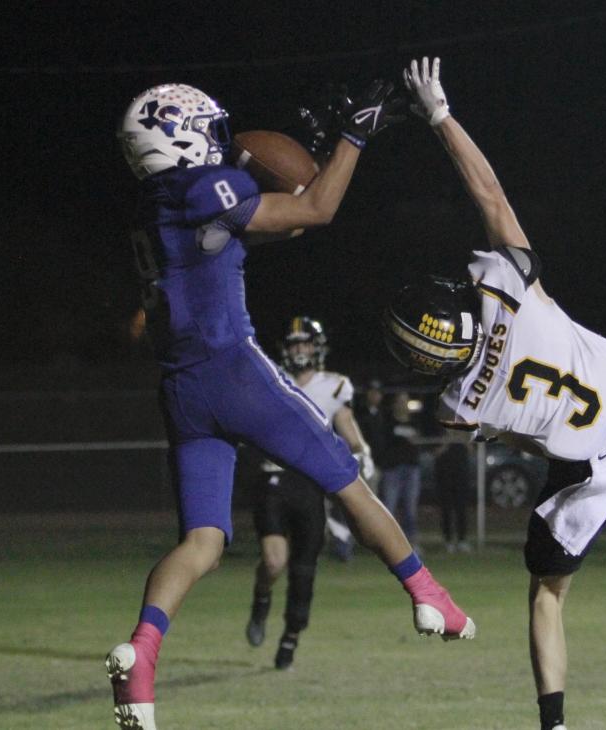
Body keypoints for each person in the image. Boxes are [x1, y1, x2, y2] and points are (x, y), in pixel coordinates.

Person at [109, 81, 474, 730]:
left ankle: (141, 656)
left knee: (202, 542)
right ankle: (428, 595)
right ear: (180, 134)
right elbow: (317, 210)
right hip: (233, 371)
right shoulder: (200, 191)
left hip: (181, 390)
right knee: (347, 480)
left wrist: (299, 162)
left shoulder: (153, 205)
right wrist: (352, 136)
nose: (222, 139)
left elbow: (275, 220)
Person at [382, 57, 606, 729]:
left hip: (580, 468)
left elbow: (512, 432)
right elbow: (489, 194)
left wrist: (520, 427)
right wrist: (439, 116)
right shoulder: (506, 285)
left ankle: (554, 723)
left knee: (547, 598)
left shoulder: (457, 404)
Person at [245, 316, 375, 670]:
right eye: (294, 344)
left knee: (304, 570)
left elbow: (348, 428)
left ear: (316, 347)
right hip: (273, 478)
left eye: (305, 343)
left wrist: (364, 453)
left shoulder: (334, 385)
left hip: (310, 483)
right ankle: (261, 597)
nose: (300, 350)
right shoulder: (273, 380)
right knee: (273, 561)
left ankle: (290, 637)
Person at [379, 391, 424, 546]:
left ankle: (411, 544)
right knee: (389, 508)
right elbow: (385, 443)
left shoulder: (414, 422)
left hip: (411, 468)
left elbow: (418, 443)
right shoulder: (388, 422)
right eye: (400, 401)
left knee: (410, 509)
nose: (403, 404)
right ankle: (388, 544)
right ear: (394, 404)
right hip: (393, 469)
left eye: (405, 401)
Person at [433, 439, 471, 552]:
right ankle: (448, 540)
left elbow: (470, 450)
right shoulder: (440, 433)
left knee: (461, 508)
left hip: (461, 474)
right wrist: (446, 444)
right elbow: (435, 452)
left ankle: (462, 540)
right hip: (444, 476)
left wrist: (464, 441)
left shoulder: (463, 432)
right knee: (446, 508)